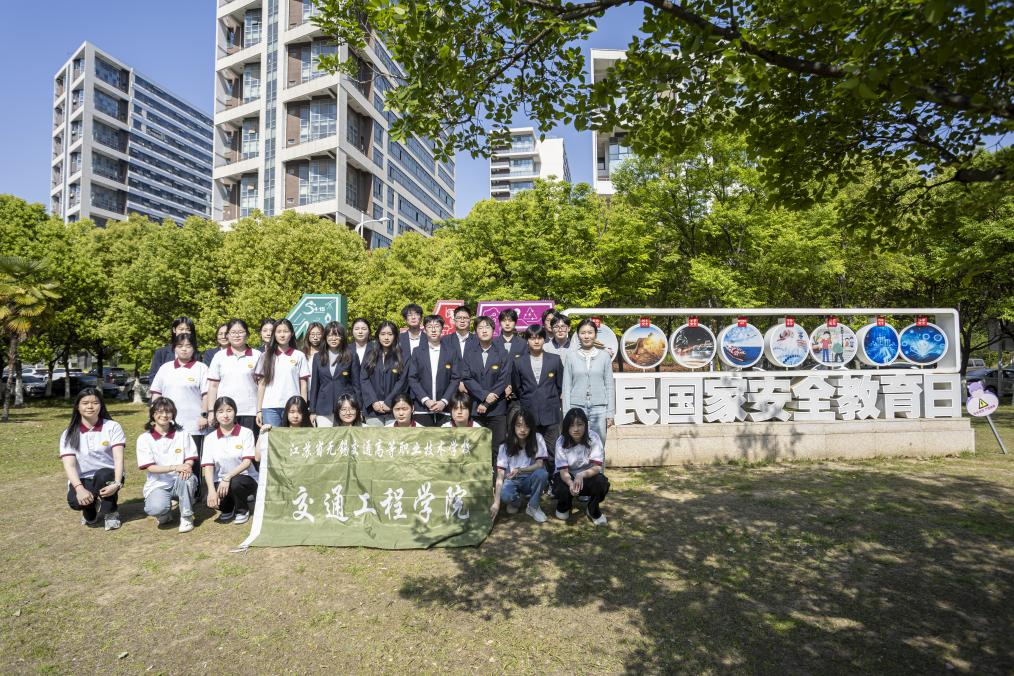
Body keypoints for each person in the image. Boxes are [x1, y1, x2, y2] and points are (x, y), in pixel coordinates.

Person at [59, 388, 126, 531]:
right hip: (84, 479)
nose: (90, 406)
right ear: (77, 407)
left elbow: (118, 459)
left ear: (101, 406)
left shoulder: (112, 427)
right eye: (85, 403)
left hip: (109, 475)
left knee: (103, 475)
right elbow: (70, 466)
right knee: (75, 502)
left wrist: (117, 482)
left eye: (95, 403)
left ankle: (111, 512)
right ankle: (90, 509)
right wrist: (79, 489)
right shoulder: (69, 433)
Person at [136, 397, 199, 532]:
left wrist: (187, 466)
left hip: (180, 479)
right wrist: (175, 467)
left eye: (168, 412)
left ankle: (187, 517)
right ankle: (164, 513)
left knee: (187, 478)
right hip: (158, 484)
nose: (164, 415)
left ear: (173, 414)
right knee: (156, 508)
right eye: (160, 411)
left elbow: (190, 457)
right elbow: (150, 467)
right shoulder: (144, 438)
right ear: (153, 414)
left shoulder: (183, 434)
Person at [149, 333, 210, 454]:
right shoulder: (165, 368)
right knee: (169, 458)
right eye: (180, 346)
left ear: (194, 348)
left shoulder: (201, 368)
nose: (184, 349)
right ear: (174, 348)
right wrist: (154, 414)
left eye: (188, 346)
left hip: (194, 425)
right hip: (167, 422)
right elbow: (156, 393)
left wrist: (204, 416)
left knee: (193, 460)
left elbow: (206, 394)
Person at [461, 316, 510, 461]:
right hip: (475, 407)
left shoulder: (502, 352)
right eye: (480, 328)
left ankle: (496, 474)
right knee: (475, 447)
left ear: (493, 330)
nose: (484, 331)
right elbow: (467, 378)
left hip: (497, 408)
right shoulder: (469, 353)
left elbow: (503, 379)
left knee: (497, 447)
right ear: (475, 331)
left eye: (487, 327)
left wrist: (488, 401)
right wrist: (484, 396)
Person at [202, 396, 258, 524]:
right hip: (221, 481)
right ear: (215, 414)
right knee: (209, 498)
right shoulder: (210, 438)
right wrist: (211, 491)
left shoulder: (246, 433)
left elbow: (247, 462)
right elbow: (208, 467)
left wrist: (227, 477)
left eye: (229, 410)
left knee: (235, 483)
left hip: (245, 478)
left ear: (235, 412)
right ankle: (228, 508)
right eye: (220, 411)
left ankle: (242, 510)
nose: (225, 415)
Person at [489, 409, 550, 523]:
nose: (523, 429)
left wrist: (520, 470)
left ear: (531, 427)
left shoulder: (537, 438)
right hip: (512, 480)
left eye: (527, 426)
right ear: (513, 426)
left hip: (530, 478)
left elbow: (539, 464)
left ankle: (533, 506)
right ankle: (518, 501)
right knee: (506, 497)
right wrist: (496, 503)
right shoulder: (505, 445)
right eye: (519, 425)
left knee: (542, 474)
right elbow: (500, 475)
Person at [562, 318, 615, 446]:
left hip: (599, 408)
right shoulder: (571, 356)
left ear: (595, 335)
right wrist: (566, 413)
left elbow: (609, 385)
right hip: (576, 407)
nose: (586, 336)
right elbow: (566, 386)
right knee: (577, 446)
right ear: (578, 335)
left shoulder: (604, 356)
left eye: (590, 332)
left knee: (598, 446)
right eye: (583, 333)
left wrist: (610, 413)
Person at [206, 319, 262, 440]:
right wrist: (211, 411)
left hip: (250, 411)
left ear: (247, 334)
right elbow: (213, 386)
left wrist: (259, 410)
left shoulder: (257, 355)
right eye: (233, 332)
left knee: (248, 446)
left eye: (240, 332)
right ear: (227, 335)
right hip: (224, 412)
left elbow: (262, 385)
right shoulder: (219, 356)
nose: (237, 335)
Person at [512, 325, 564, 452]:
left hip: (551, 413)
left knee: (552, 451)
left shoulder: (555, 360)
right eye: (532, 338)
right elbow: (517, 387)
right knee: (530, 450)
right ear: (527, 340)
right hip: (529, 412)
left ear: (544, 339)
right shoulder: (518, 362)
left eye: (539, 338)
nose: (536, 341)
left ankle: (551, 467)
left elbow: (560, 385)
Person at [553, 408, 609, 525]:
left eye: (580, 424)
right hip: (567, 476)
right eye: (571, 425)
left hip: (587, 476)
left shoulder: (593, 437)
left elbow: (597, 467)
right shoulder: (561, 441)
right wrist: (570, 483)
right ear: (566, 427)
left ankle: (593, 509)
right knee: (560, 488)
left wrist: (581, 475)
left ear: (586, 425)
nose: (576, 429)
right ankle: (564, 505)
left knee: (602, 483)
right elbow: (563, 471)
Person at [255, 319, 310, 428]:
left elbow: (303, 384)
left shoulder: (299, 356)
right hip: (270, 408)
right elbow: (261, 385)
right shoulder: (265, 356)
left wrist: (302, 408)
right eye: (279, 332)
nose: (282, 335)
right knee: (273, 438)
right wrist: (259, 410)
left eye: (286, 331)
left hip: (293, 407)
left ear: (292, 333)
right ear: (274, 334)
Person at [409, 314, 460, 426]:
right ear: (424, 330)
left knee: (446, 437)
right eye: (429, 326)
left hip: (445, 408)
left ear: (442, 328)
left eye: (437, 326)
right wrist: (426, 400)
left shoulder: (451, 352)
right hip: (422, 408)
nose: (433, 330)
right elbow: (412, 378)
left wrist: (444, 401)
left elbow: (455, 379)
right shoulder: (417, 352)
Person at [308, 321, 358, 427]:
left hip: (345, 408)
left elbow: (356, 384)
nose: (333, 338)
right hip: (323, 408)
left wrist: (359, 407)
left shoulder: (351, 355)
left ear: (342, 337)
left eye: (337, 335)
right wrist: (312, 411)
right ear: (325, 337)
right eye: (330, 335)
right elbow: (315, 385)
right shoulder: (318, 357)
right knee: (325, 437)